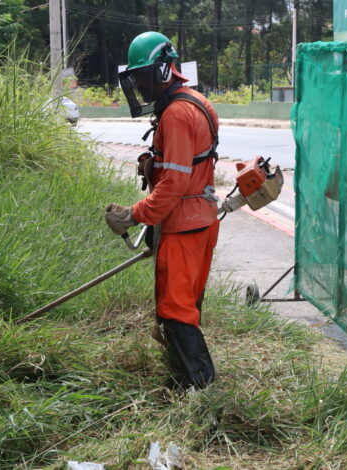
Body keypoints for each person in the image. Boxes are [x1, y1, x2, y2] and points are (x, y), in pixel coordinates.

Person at [104, 31, 220, 390]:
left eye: (142, 77)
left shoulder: (177, 114)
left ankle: (200, 388)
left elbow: (174, 186)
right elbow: (184, 165)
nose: (139, 86)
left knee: (175, 309)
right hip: (197, 220)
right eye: (134, 78)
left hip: (184, 225)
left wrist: (133, 214)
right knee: (184, 303)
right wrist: (153, 162)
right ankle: (181, 370)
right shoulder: (195, 102)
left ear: (165, 71)